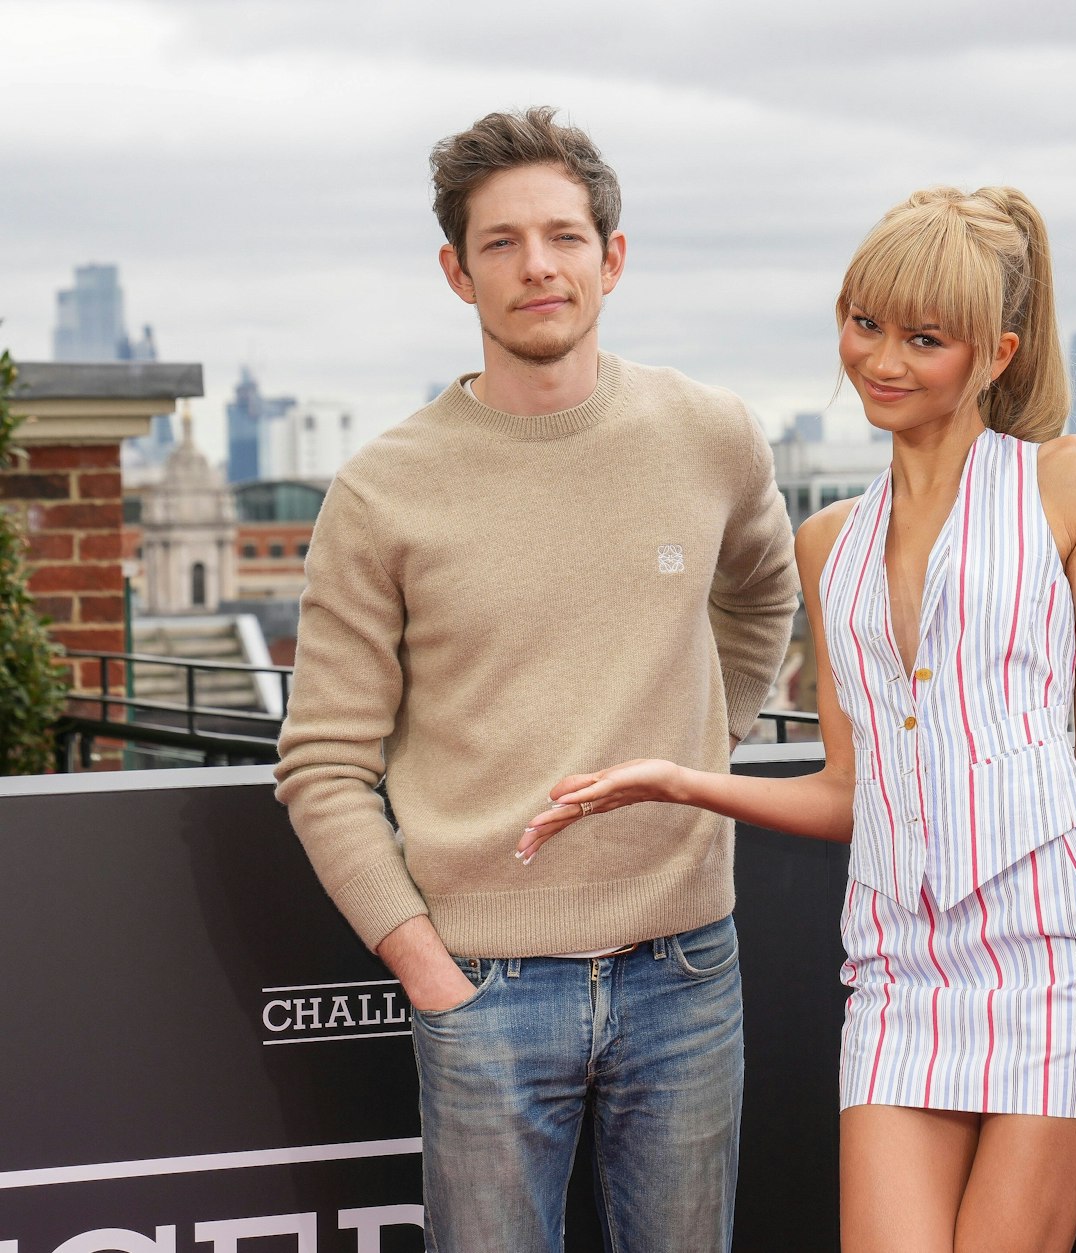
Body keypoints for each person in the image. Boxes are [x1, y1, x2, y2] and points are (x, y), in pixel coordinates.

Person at [519, 186, 1076, 1253]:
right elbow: (846, 791)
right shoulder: (827, 542)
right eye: (864, 323)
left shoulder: (1073, 482)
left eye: (924, 337)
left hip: (1064, 954)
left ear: (996, 352)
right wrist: (681, 780)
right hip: (899, 969)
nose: (880, 359)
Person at [274, 107, 798, 1251]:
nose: (537, 266)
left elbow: (763, 594)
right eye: (500, 242)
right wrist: (428, 966)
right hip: (482, 981)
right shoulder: (381, 491)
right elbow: (320, 761)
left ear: (611, 257)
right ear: (457, 273)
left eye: (563, 235)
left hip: (687, 964)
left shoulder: (711, 435)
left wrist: (703, 747)